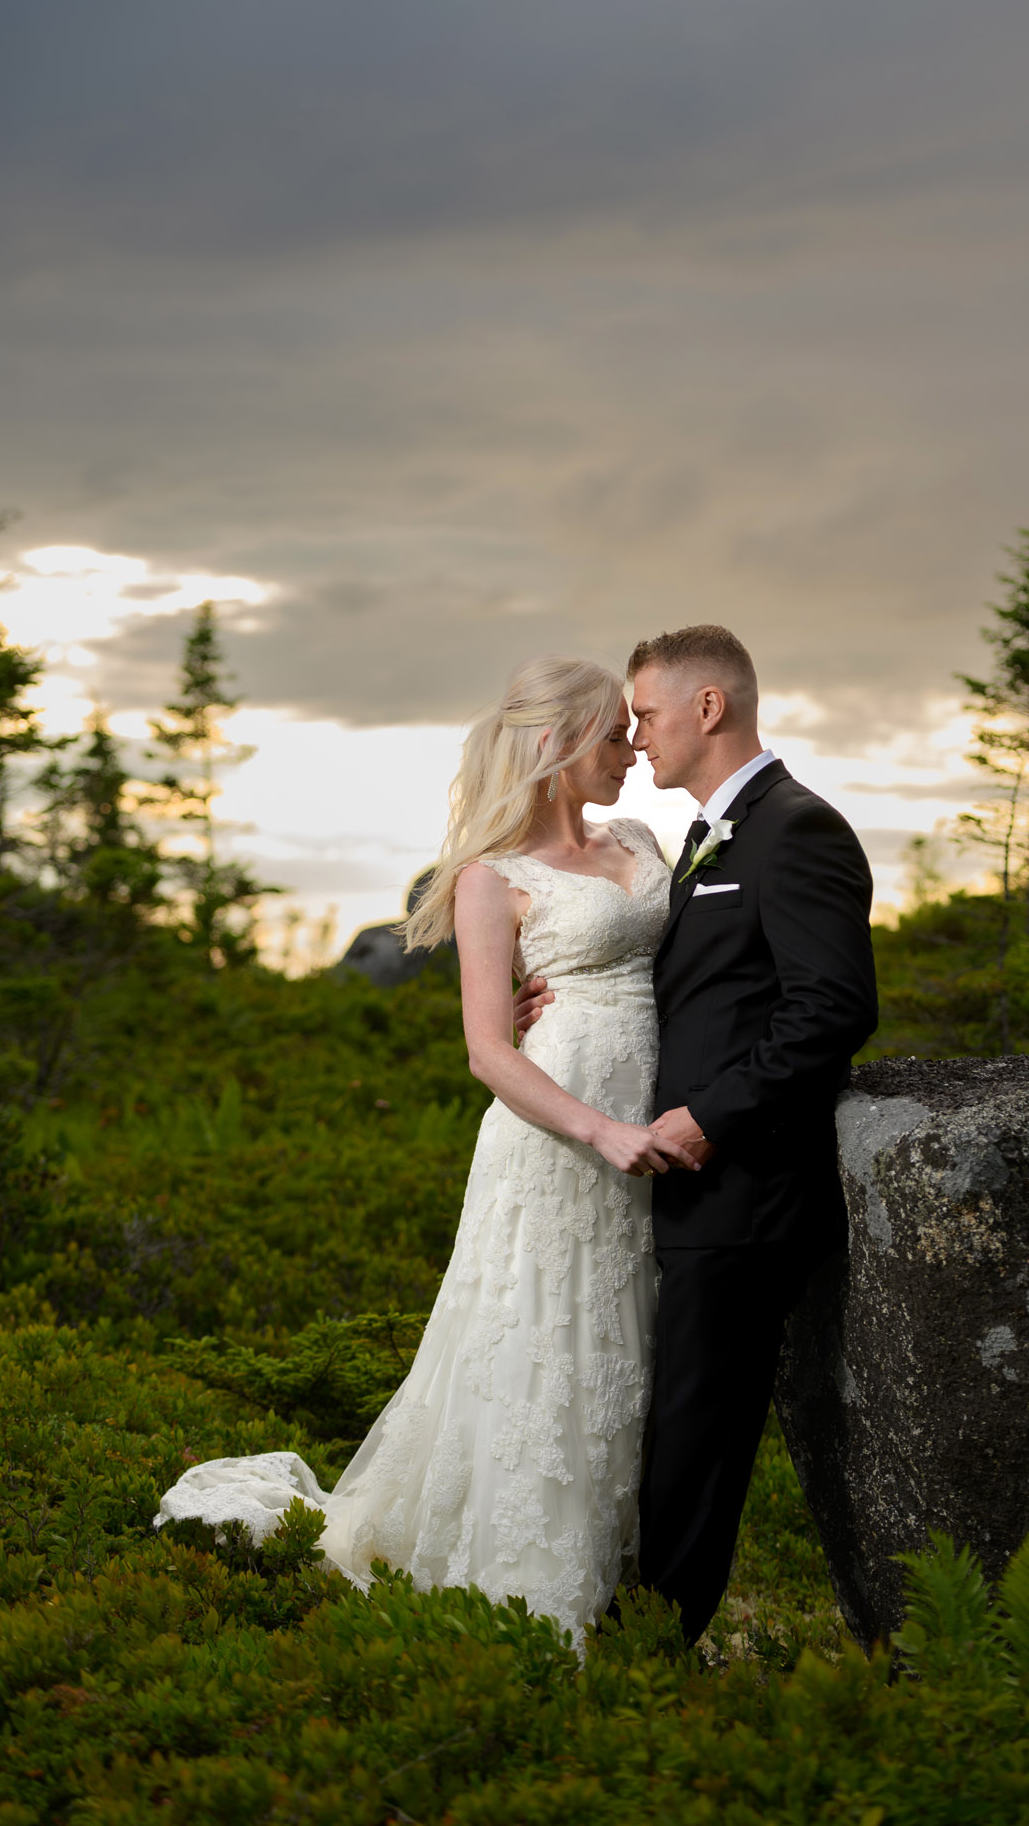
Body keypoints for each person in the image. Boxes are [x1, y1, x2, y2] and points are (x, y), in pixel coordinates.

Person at [155, 655, 700, 1648]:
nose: (630, 751)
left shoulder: (636, 836)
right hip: (562, 1140)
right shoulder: (490, 876)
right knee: (548, 1346)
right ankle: (537, 1594)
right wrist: (601, 1129)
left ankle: (629, 1574)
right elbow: (488, 1048)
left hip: (655, 1128)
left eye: (631, 731)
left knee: (628, 1350)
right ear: (557, 742)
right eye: (613, 735)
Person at [515, 624, 878, 1643]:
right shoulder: (706, 836)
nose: (636, 736)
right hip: (685, 1185)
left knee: (698, 1430)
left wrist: (713, 1115)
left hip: (747, 1188)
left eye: (646, 713)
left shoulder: (796, 828)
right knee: (674, 1416)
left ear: (707, 708)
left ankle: (653, 1649)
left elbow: (832, 1009)